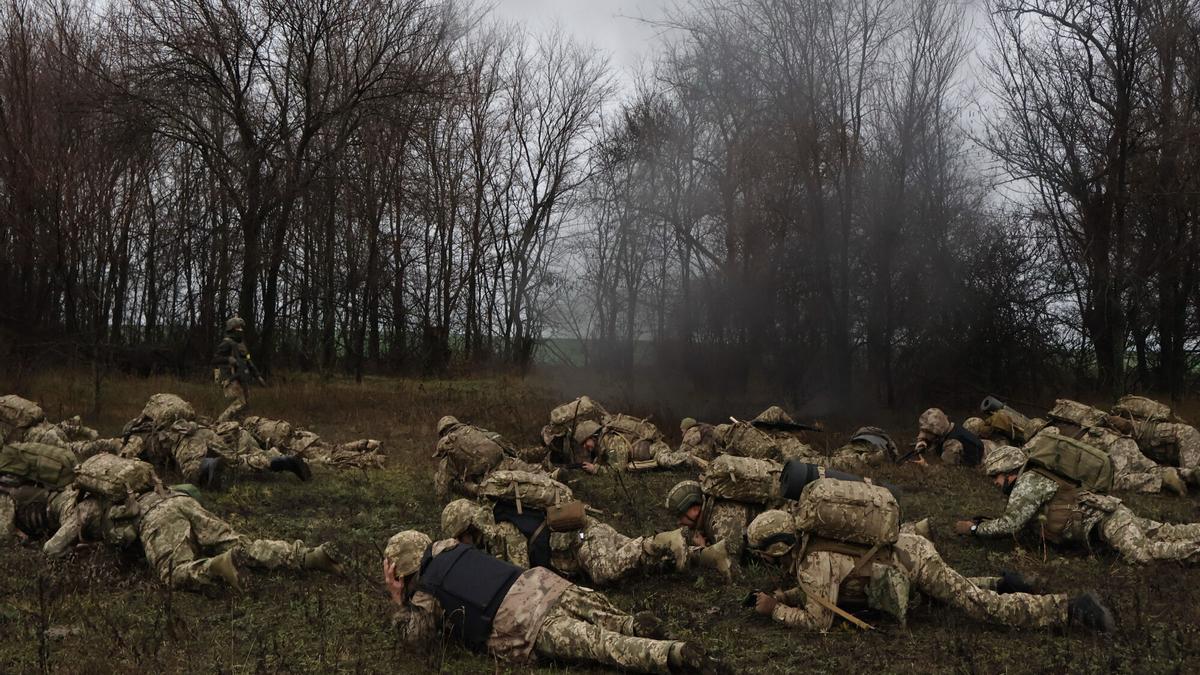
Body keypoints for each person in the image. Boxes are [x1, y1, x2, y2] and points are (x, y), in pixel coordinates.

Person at [382, 530, 727, 674]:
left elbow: (418, 641)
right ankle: (633, 623)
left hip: (523, 620)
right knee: (609, 619)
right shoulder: (449, 546)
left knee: (603, 646)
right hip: (541, 582)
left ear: (404, 569)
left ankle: (672, 654)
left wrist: (400, 599)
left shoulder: (425, 592)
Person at [744, 508, 1114, 632]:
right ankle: (1004, 581)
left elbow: (818, 622)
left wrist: (774, 610)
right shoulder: (812, 544)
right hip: (907, 554)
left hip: (912, 562)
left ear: (777, 550)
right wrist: (786, 595)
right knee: (954, 591)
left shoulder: (810, 562)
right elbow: (825, 587)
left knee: (976, 605)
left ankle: (1070, 608)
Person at [44, 464, 341, 592]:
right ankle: (308, 557)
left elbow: (52, 549)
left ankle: (215, 567)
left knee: (174, 572)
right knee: (240, 542)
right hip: (180, 500)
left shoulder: (78, 506)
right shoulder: (126, 478)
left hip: (156, 518)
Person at [958, 443, 1200, 565]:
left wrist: (973, 529)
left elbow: (1010, 525)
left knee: (1145, 554)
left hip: (1105, 520)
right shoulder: (1036, 476)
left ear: (1008, 471)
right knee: (1166, 531)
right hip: (1109, 512)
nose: (995, 483)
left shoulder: (1028, 483)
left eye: (995, 477)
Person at [438, 498, 728, 586]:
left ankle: (661, 541)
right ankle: (708, 555)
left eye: (460, 538)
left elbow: (521, 576)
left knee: (607, 570)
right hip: (587, 534)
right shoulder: (498, 526)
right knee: (644, 567)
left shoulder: (503, 532)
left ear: (467, 529)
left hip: (581, 541)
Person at [433, 416, 548, 500]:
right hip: (507, 463)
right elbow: (503, 443)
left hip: (486, 483)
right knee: (539, 477)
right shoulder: (475, 430)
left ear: (442, 433)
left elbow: (442, 491)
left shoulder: (448, 451)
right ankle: (552, 480)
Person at [212, 316, 264, 423]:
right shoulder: (226, 343)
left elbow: (248, 360)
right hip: (231, 379)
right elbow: (215, 359)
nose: (240, 330)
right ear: (231, 329)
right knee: (239, 404)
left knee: (245, 406)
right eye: (238, 327)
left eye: (241, 327)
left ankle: (239, 427)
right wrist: (228, 359)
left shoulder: (242, 345)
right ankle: (220, 423)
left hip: (242, 379)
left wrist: (257, 375)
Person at [914, 408, 984, 466]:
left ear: (936, 432)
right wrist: (922, 440)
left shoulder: (952, 444)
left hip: (985, 458)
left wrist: (925, 465)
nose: (925, 434)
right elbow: (927, 432)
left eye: (928, 432)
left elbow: (944, 470)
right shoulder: (948, 427)